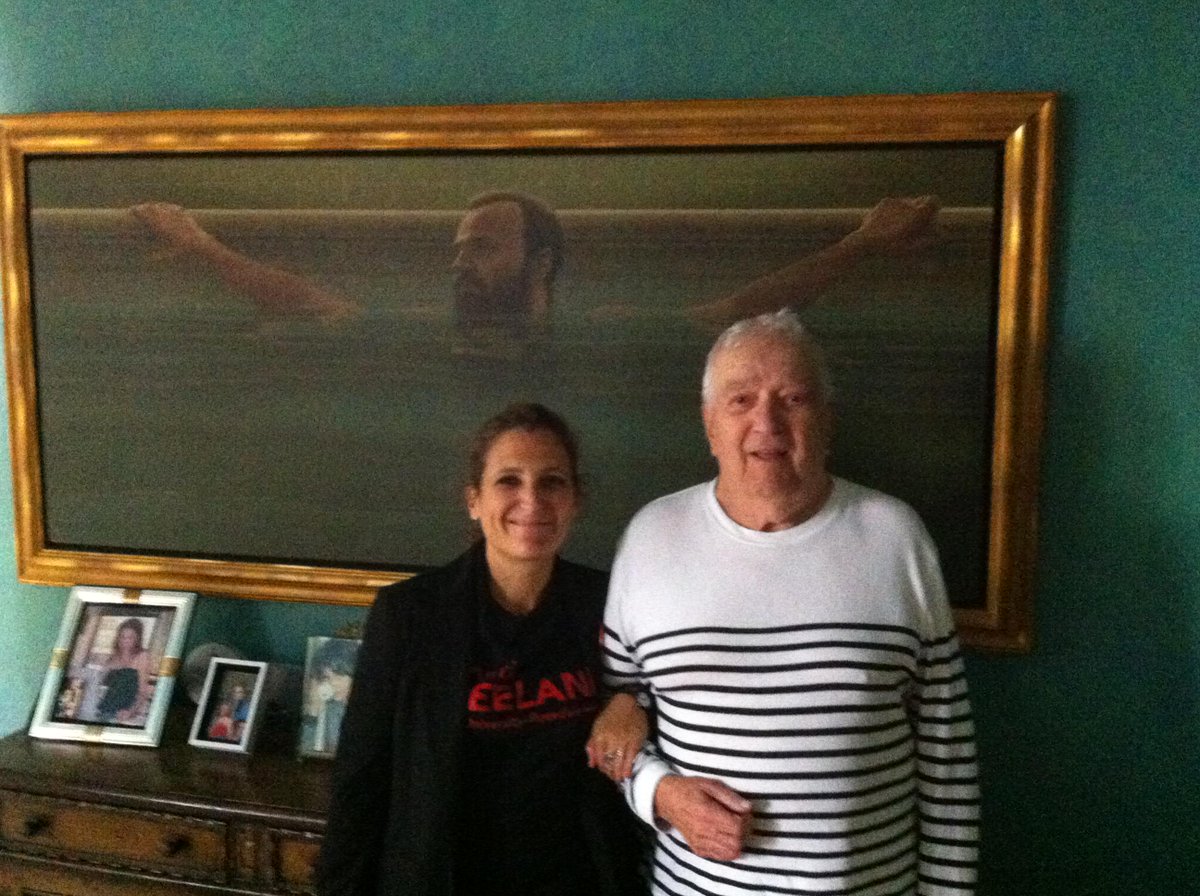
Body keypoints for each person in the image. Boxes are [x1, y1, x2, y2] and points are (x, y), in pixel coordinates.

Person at [600, 309, 980, 894]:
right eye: (741, 400)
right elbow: (612, 720)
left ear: (827, 419)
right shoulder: (650, 538)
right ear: (709, 424)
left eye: (794, 399)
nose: (767, 423)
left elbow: (947, 757)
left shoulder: (896, 537)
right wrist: (660, 795)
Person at [316, 402, 645, 896]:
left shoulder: (610, 603)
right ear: (473, 500)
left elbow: (664, 692)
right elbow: (360, 783)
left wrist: (630, 702)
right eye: (509, 480)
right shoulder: (409, 616)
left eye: (552, 482)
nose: (531, 500)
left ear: (576, 499)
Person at [130, 193, 939, 339]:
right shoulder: (421, 335)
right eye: (457, 249)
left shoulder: (599, 337)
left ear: (540, 262)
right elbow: (306, 302)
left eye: (482, 246)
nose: (461, 263)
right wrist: (200, 246)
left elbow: (740, 312)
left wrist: (865, 243)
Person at [95, 616, 155, 724]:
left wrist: (131, 712)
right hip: (102, 708)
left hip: (123, 713)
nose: (125, 641)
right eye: (122, 637)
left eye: (130, 637)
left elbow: (143, 691)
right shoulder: (114, 656)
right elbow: (97, 681)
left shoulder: (142, 656)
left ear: (137, 639)